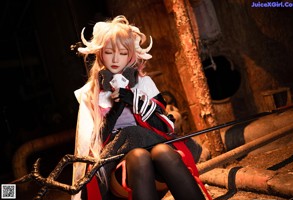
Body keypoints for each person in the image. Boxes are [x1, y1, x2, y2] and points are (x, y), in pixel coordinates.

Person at [72, 15, 210, 200]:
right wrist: (117, 107)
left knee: (164, 152)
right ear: (99, 53)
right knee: (138, 156)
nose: (115, 59)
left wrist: (134, 100)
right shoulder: (90, 93)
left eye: (122, 53)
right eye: (109, 52)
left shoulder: (144, 83)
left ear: (131, 55)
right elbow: (89, 144)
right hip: (117, 161)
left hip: (155, 150)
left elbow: (166, 127)